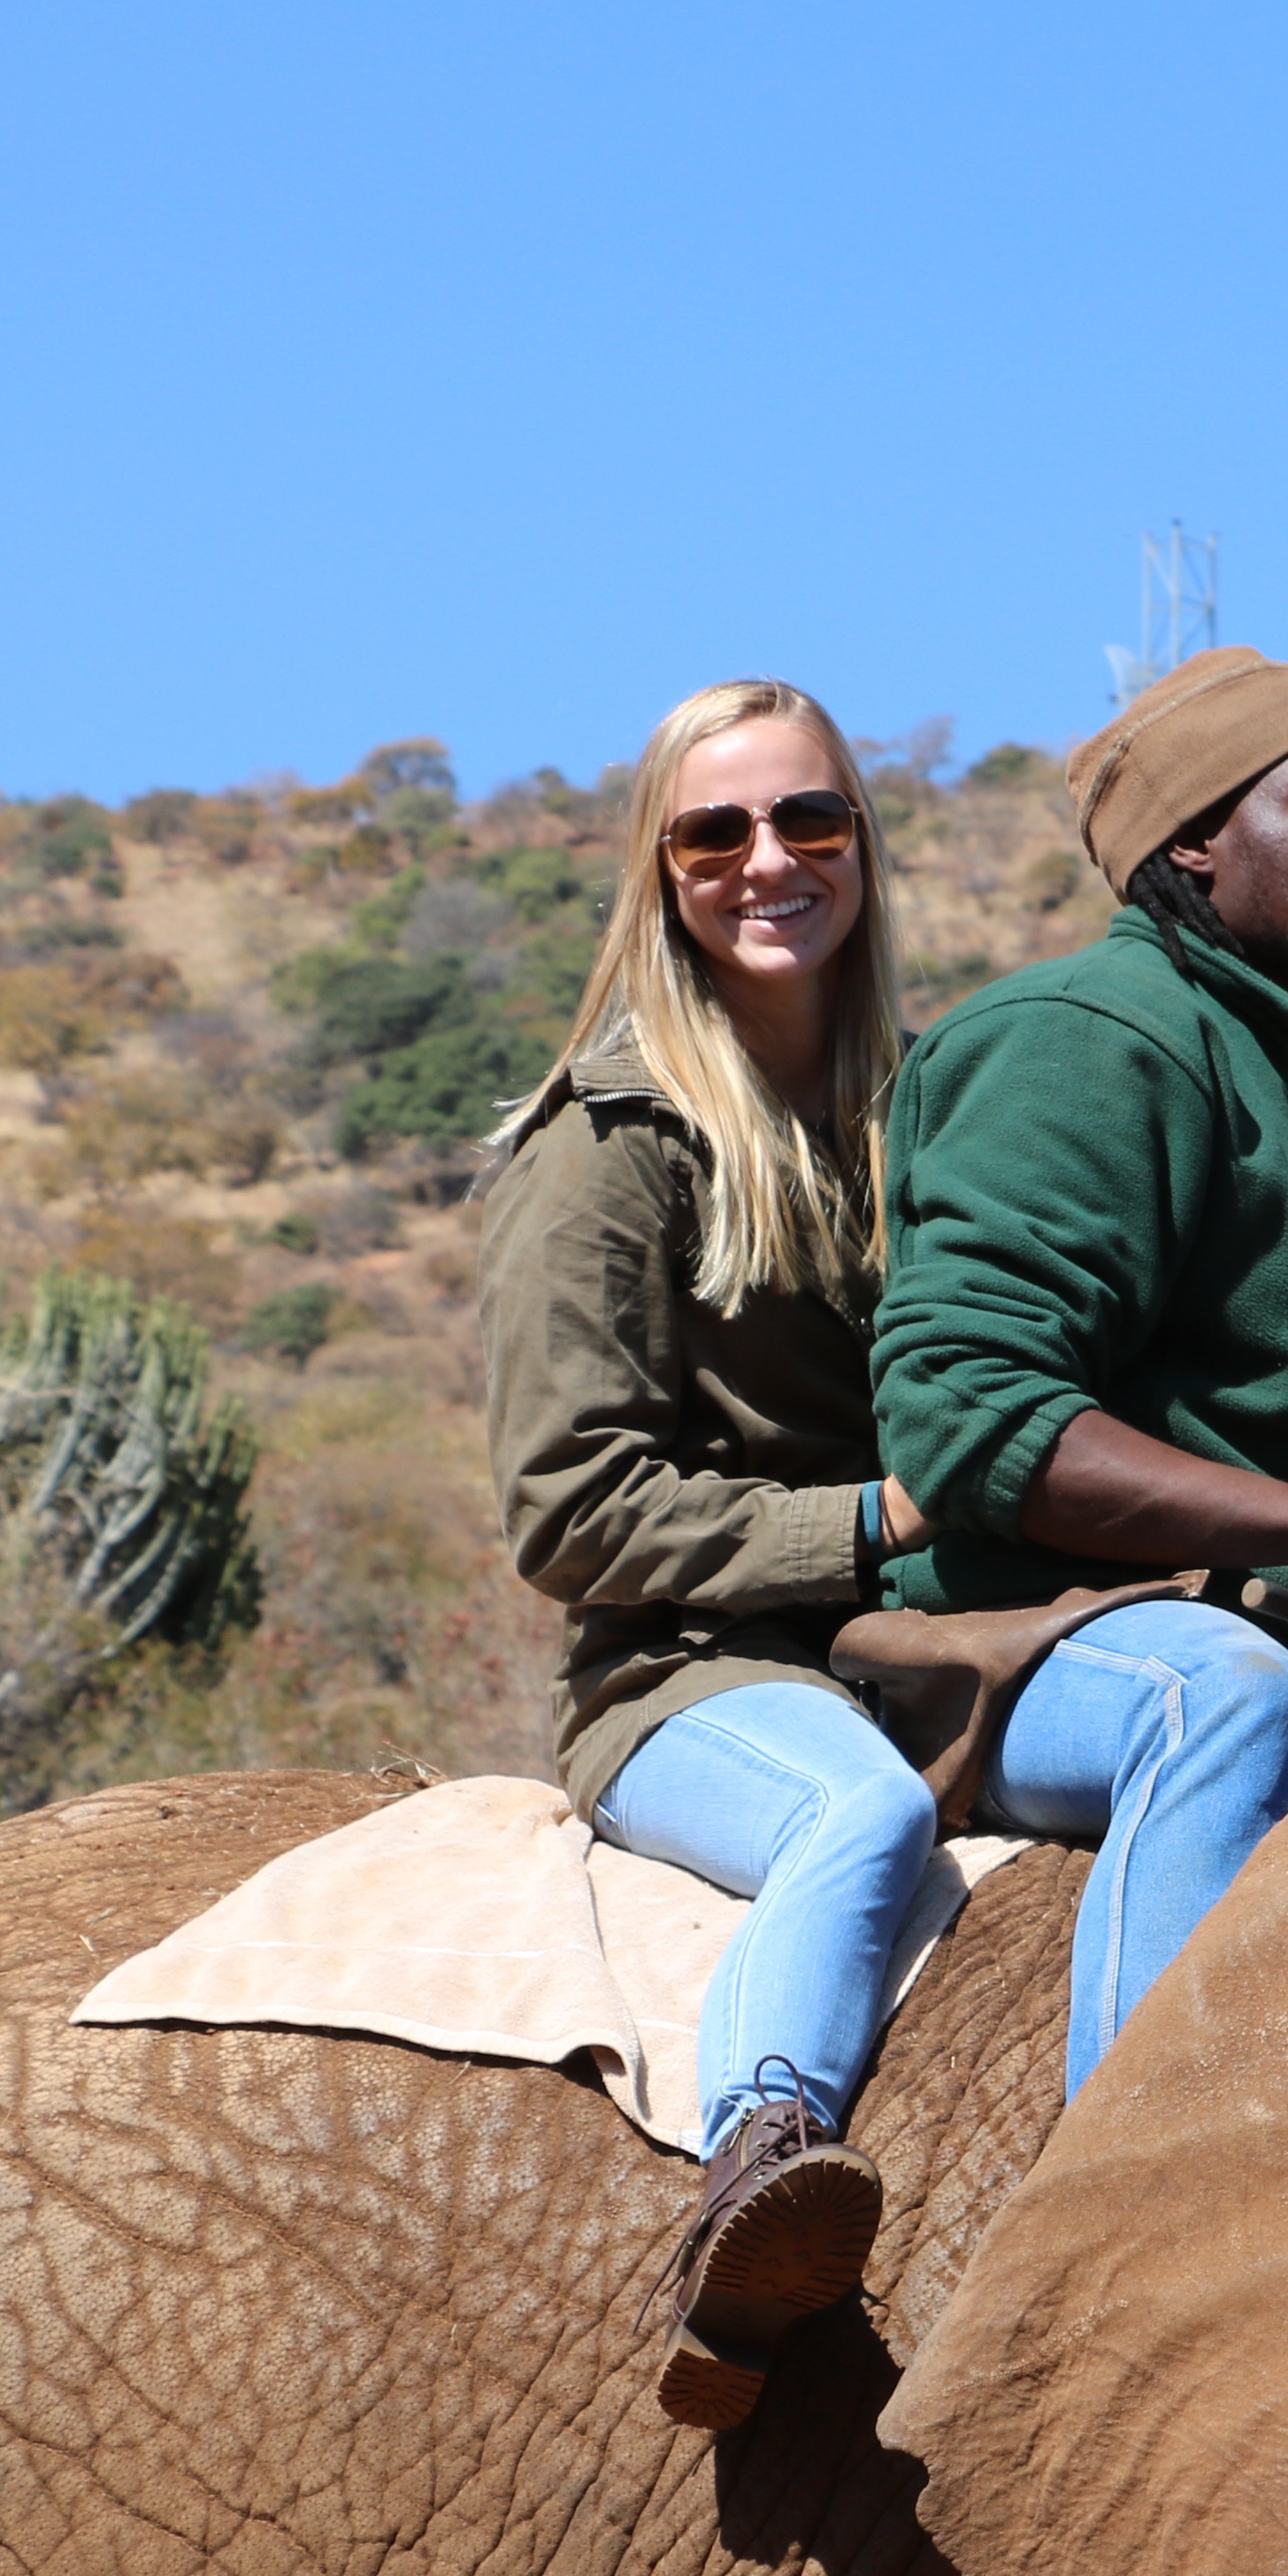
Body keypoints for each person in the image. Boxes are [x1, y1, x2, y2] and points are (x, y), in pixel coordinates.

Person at [874, 648, 1288, 2090]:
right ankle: (1132, 2232)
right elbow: (968, 1416)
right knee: (1222, 1701)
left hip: (1277, 1644)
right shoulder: (1080, 1041)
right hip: (1039, 1649)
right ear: (1195, 839)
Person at [480, 675, 932, 2432]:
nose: (770, 859)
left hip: (921, 1644)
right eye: (716, 830)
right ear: (659, 872)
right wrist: (876, 1522)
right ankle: (761, 2151)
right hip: (688, 1676)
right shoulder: (600, 1149)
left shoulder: (923, 1106)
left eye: (811, 819)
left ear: (863, 849)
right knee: (857, 1819)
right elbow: (569, 1509)